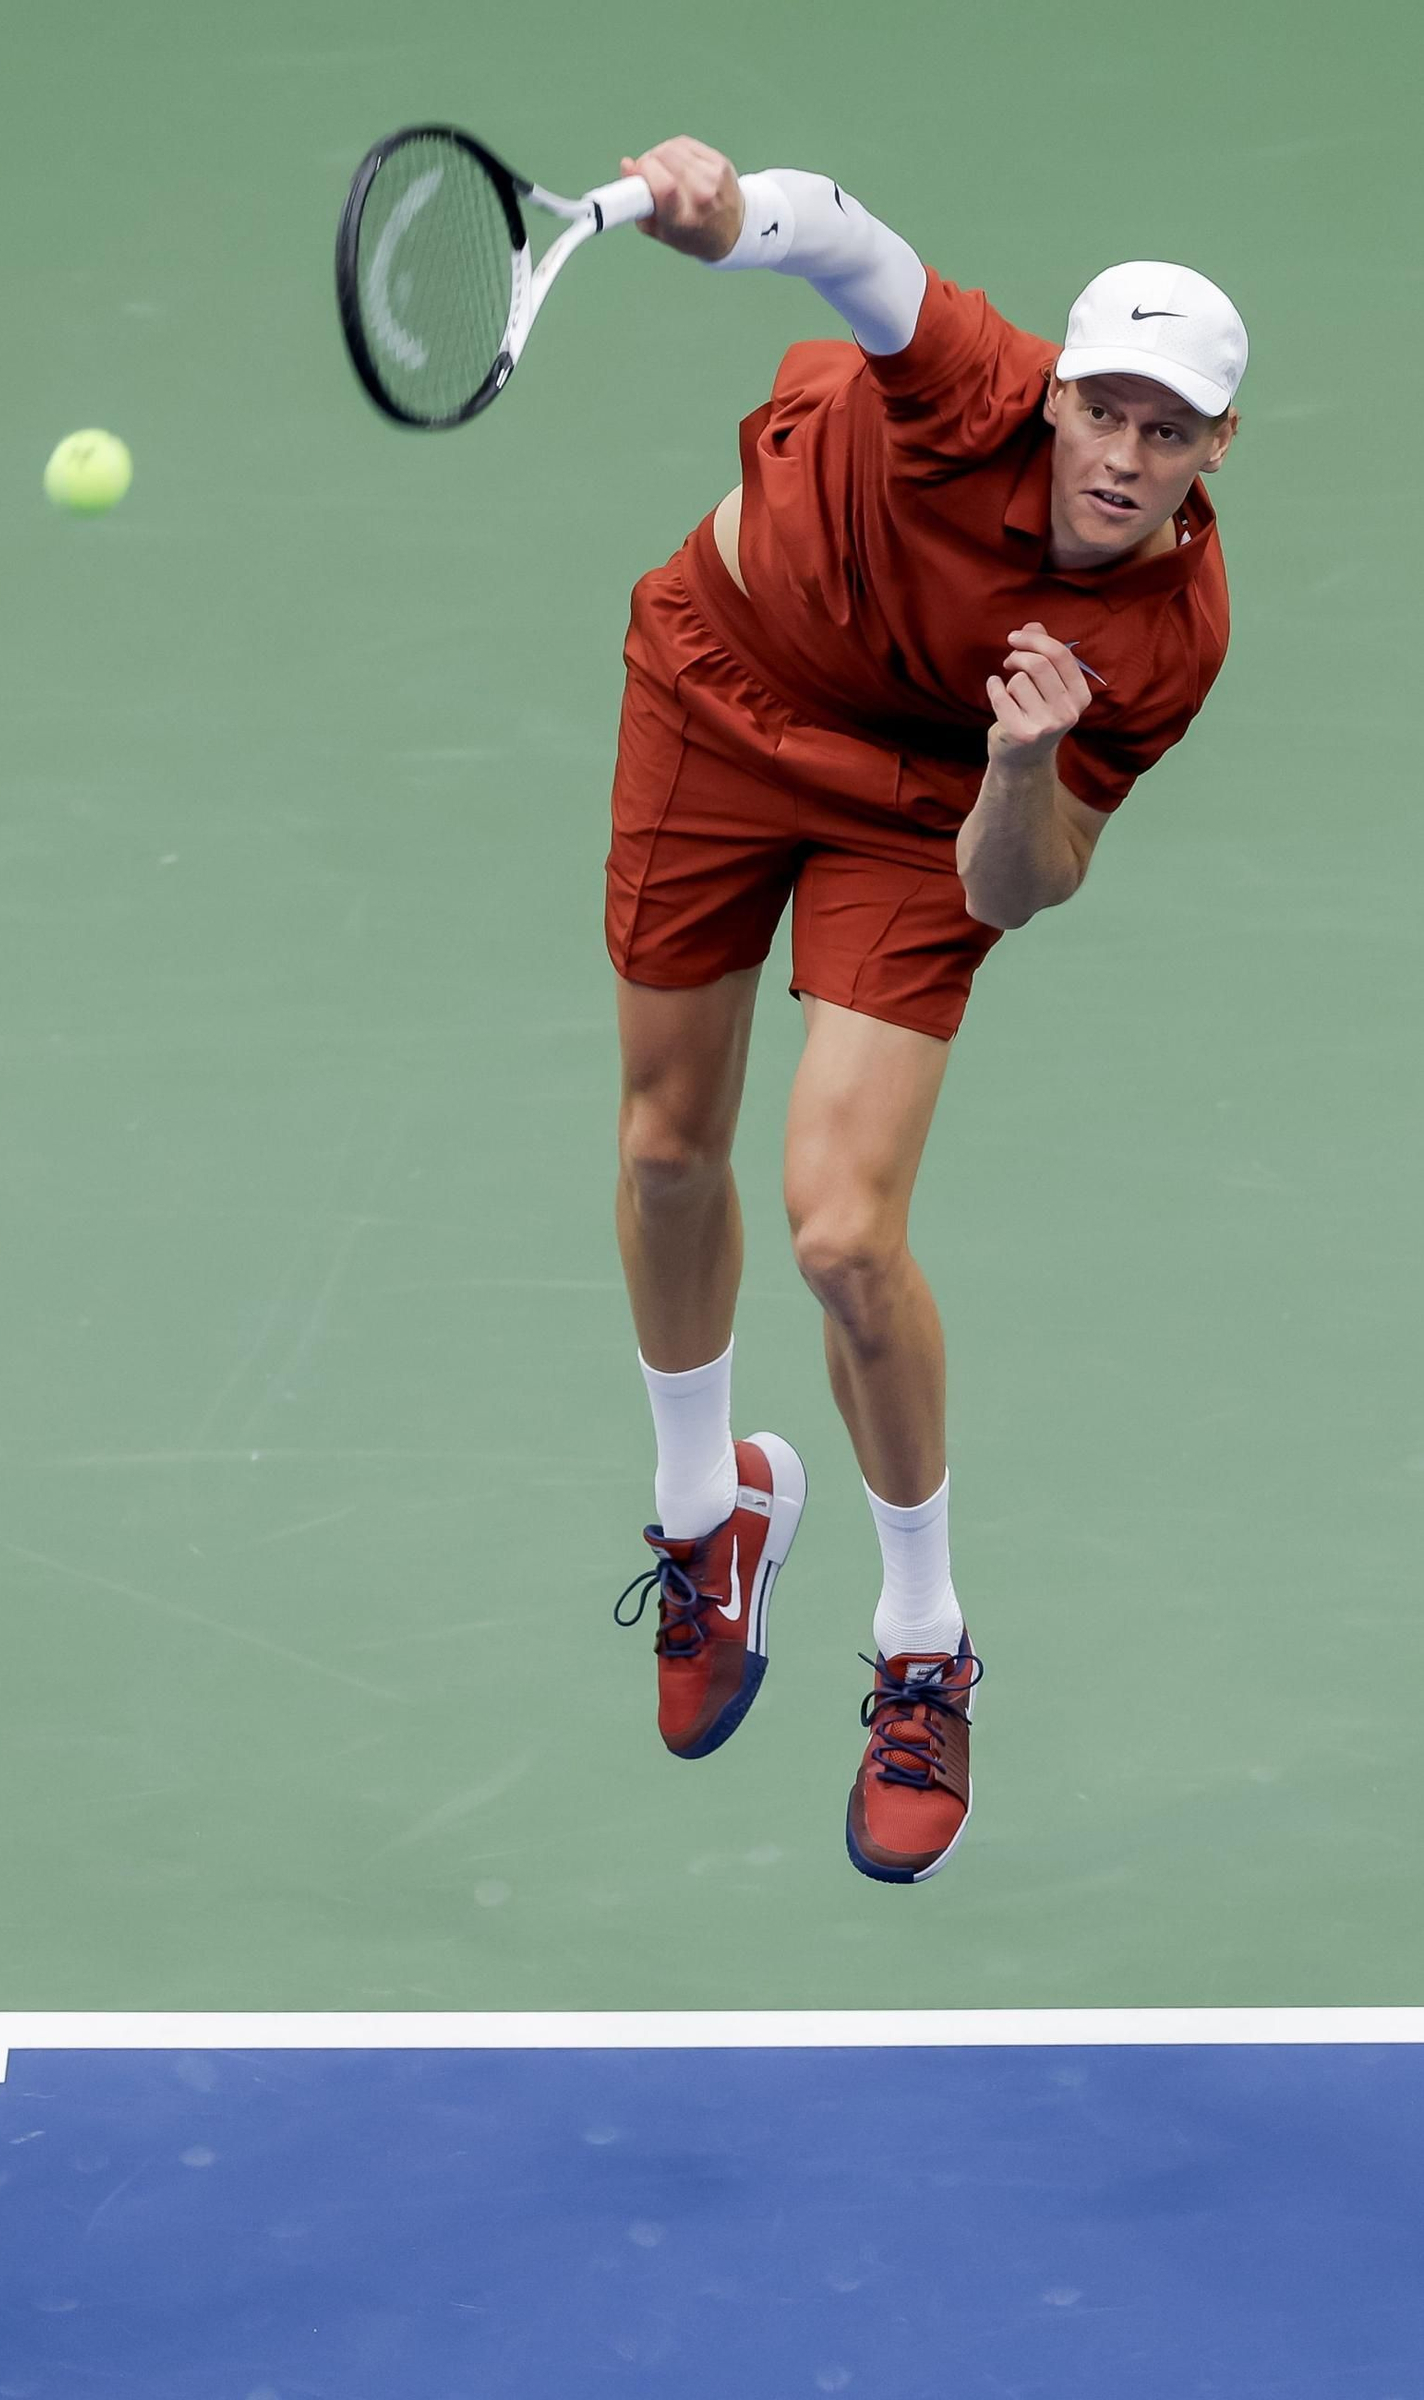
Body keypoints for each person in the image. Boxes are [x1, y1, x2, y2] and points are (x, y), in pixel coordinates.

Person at [606, 137, 1246, 1885]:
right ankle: (709, 1514)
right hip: (721, 682)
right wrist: (721, 214)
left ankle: (920, 1643)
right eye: (1102, 410)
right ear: (1056, 393)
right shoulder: (967, 385)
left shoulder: (1170, 637)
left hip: (933, 802)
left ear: (1214, 451)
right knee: (666, 1146)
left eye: (1168, 430)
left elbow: (1016, 887)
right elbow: (840, 236)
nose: (1121, 455)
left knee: (843, 1237)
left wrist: (1025, 763)